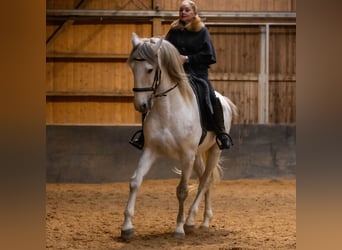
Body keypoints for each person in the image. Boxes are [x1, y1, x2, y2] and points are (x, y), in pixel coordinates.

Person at [129, 0, 233, 150]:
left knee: (209, 94)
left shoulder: (202, 31)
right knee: (152, 94)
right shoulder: (174, 31)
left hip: (197, 74)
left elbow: (209, 55)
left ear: (194, 13)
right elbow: (165, 50)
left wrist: (188, 59)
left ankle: (221, 132)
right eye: (181, 10)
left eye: (186, 10)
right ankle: (144, 135)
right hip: (176, 74)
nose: (183, 12)